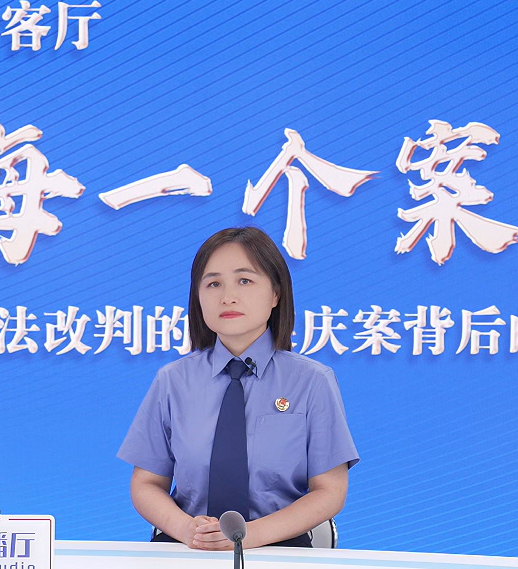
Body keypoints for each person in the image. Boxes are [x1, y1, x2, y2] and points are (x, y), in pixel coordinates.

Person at [118, 226, 357, 549]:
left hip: (278, 548)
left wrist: (248, 536)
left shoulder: (312, 381)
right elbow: (146, 483)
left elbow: (330, 491)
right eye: (213, 283)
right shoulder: (173, 380)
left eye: (245, 280)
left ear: (276, 294)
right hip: (189, 546)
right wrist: (187, 529)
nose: (227, 296)